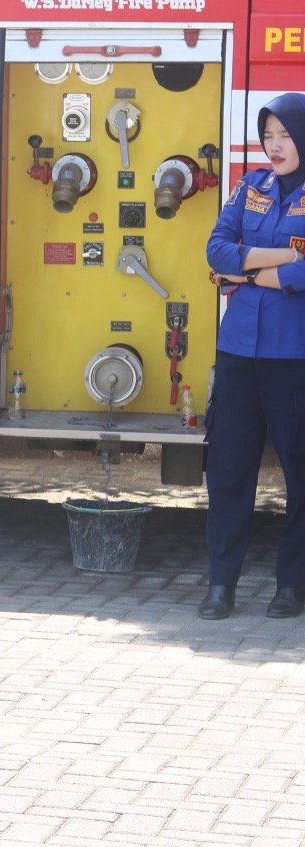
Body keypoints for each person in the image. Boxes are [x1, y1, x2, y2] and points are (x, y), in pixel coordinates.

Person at [201, 93, 305, 621]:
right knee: (227, 468)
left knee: (300, 471)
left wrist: (256, 273)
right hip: (239, 347)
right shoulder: (251, 186)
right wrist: (290, 256)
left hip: (295, 354)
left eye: (285, 136)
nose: (274, 146)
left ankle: (292, 585)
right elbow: (217, 249)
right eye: (268, 136)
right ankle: (222, 583)